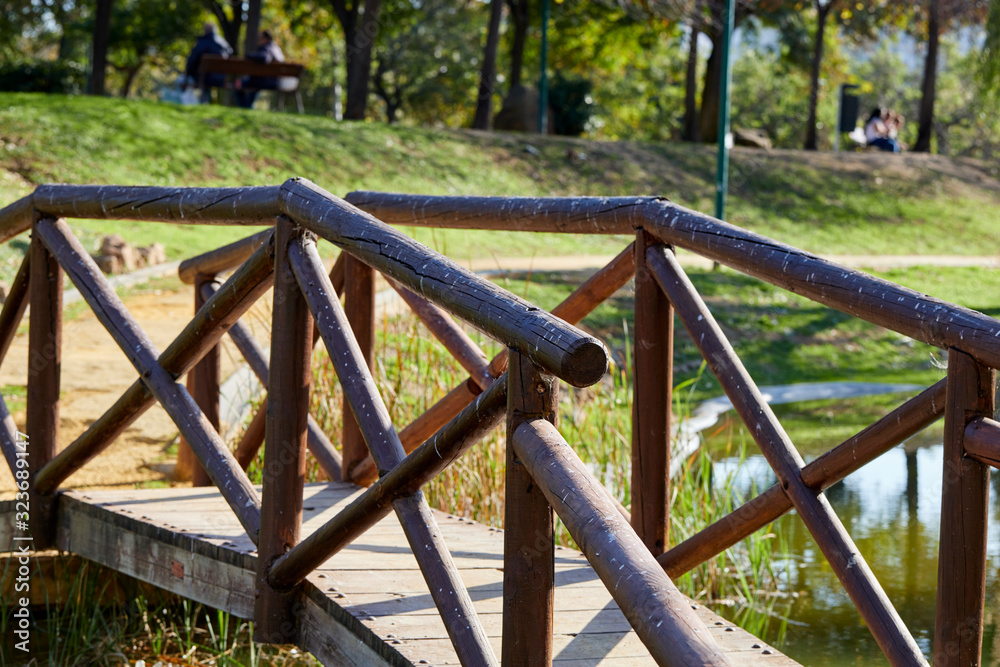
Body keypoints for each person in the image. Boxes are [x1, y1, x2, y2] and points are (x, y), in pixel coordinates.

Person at [235, 30, 285, 109]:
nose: (258, 40)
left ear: (266, 39)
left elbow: (264, 58)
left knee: (239, 84)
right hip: (274, 82)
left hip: (263, 81)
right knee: (251, 85)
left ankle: (245, 108)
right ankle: (247, 107)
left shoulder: (266, 48)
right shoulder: (276, 49)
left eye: (260, 38)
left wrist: (249, 55)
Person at [185, 23, 233, 104]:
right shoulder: (224, 44)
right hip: (221, 78)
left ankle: (204, 102)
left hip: (203, 77)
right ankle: (207, 102)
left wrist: (188, 72)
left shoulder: (202, 43)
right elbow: (230, 53)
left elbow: (191, 61)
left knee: (184, 79)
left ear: (205, 31)